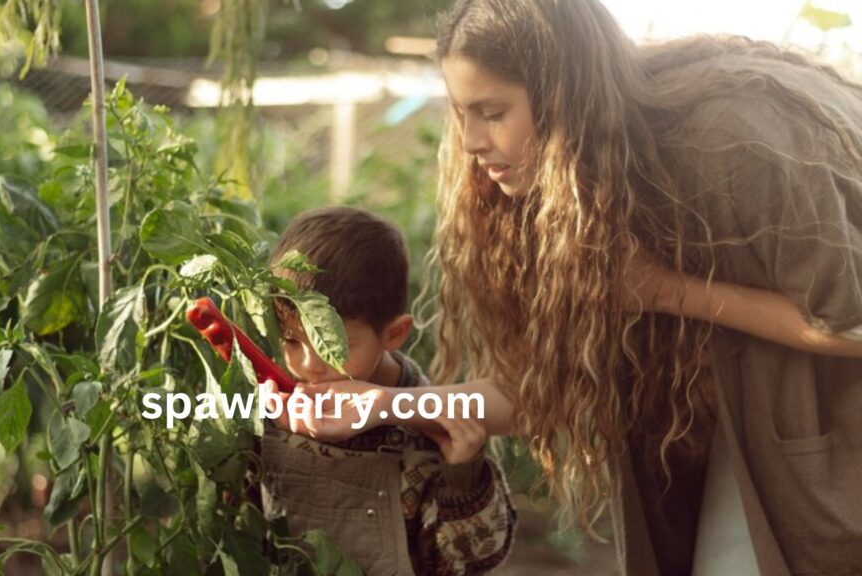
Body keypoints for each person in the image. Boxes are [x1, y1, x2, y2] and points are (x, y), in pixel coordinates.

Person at [283, 2, 862, 576]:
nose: (470, 143)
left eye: (492, 112)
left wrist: (664, 291)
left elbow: (848, 322)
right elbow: (525, 395)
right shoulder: (549, 194)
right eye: (461, 113)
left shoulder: (736, 142)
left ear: (567, 100)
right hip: (742, 437)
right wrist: (391, 405)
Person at [258, 206, 516, 576]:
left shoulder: (425, 428)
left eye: (332, 344)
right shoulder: (277, 403)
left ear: (393, 334)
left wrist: (463, 476)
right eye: (291, 340)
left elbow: (468, 561)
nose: (309, 365)